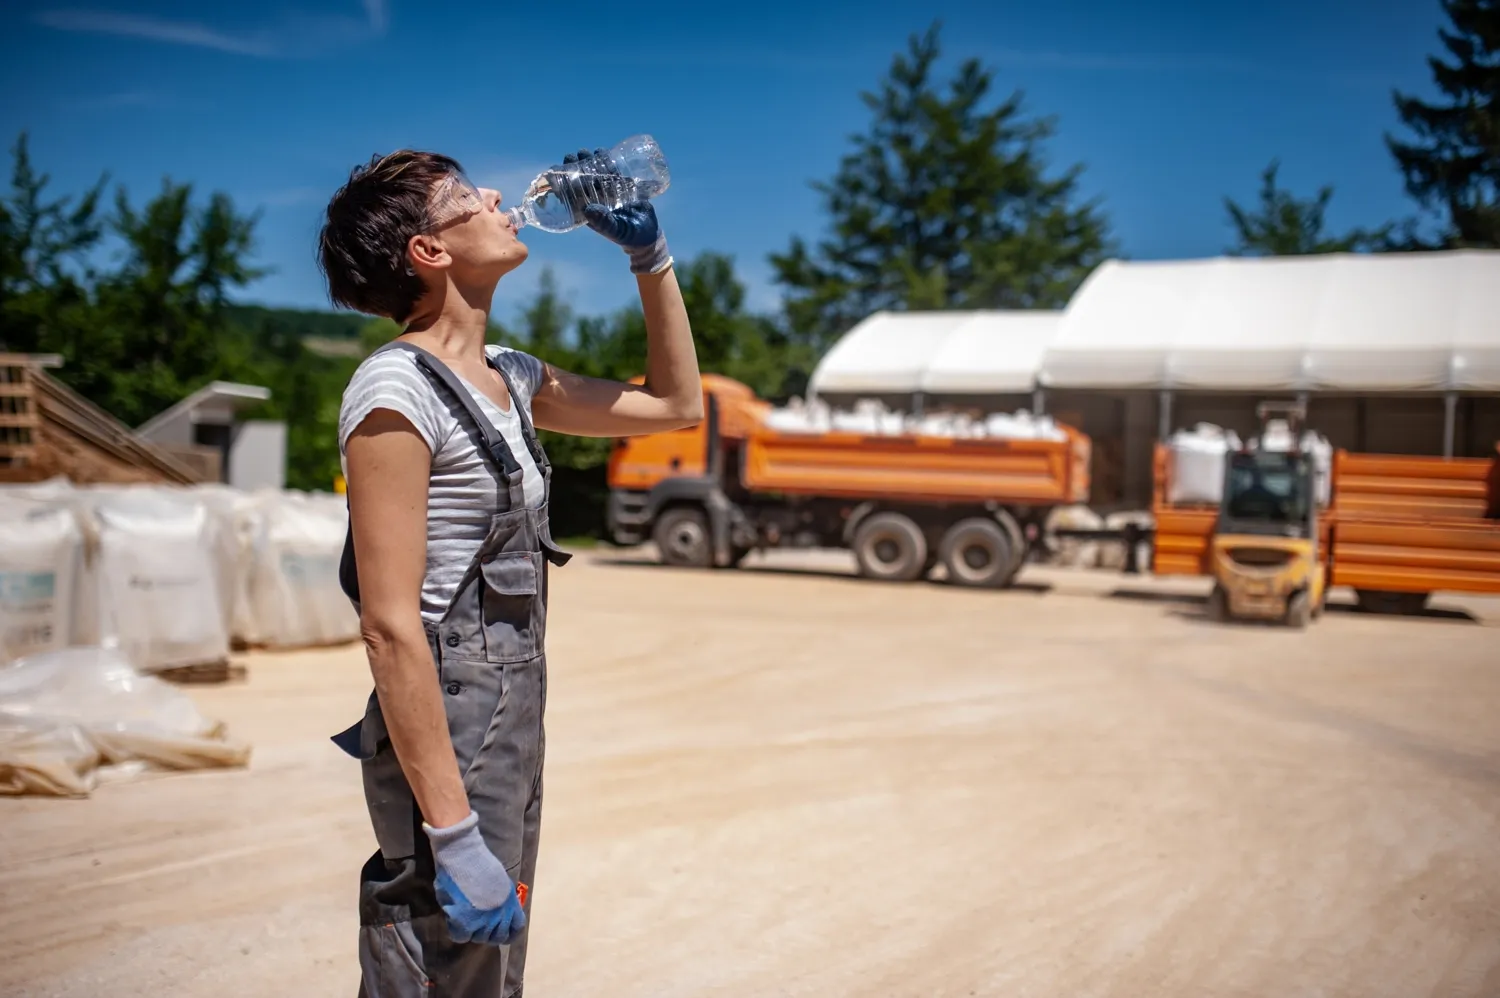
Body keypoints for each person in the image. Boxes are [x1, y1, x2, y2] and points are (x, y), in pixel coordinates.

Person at [317, 147, 702, 997]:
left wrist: (651, 258)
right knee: (432, 968)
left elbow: (677, 405)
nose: (499, 194)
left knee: (487, 978)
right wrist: (450, 835)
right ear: (430, 251)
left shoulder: (512, 379)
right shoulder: (395, 390)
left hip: (512, 714)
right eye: (466, 195)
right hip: (447, 720)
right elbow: (389, 625)